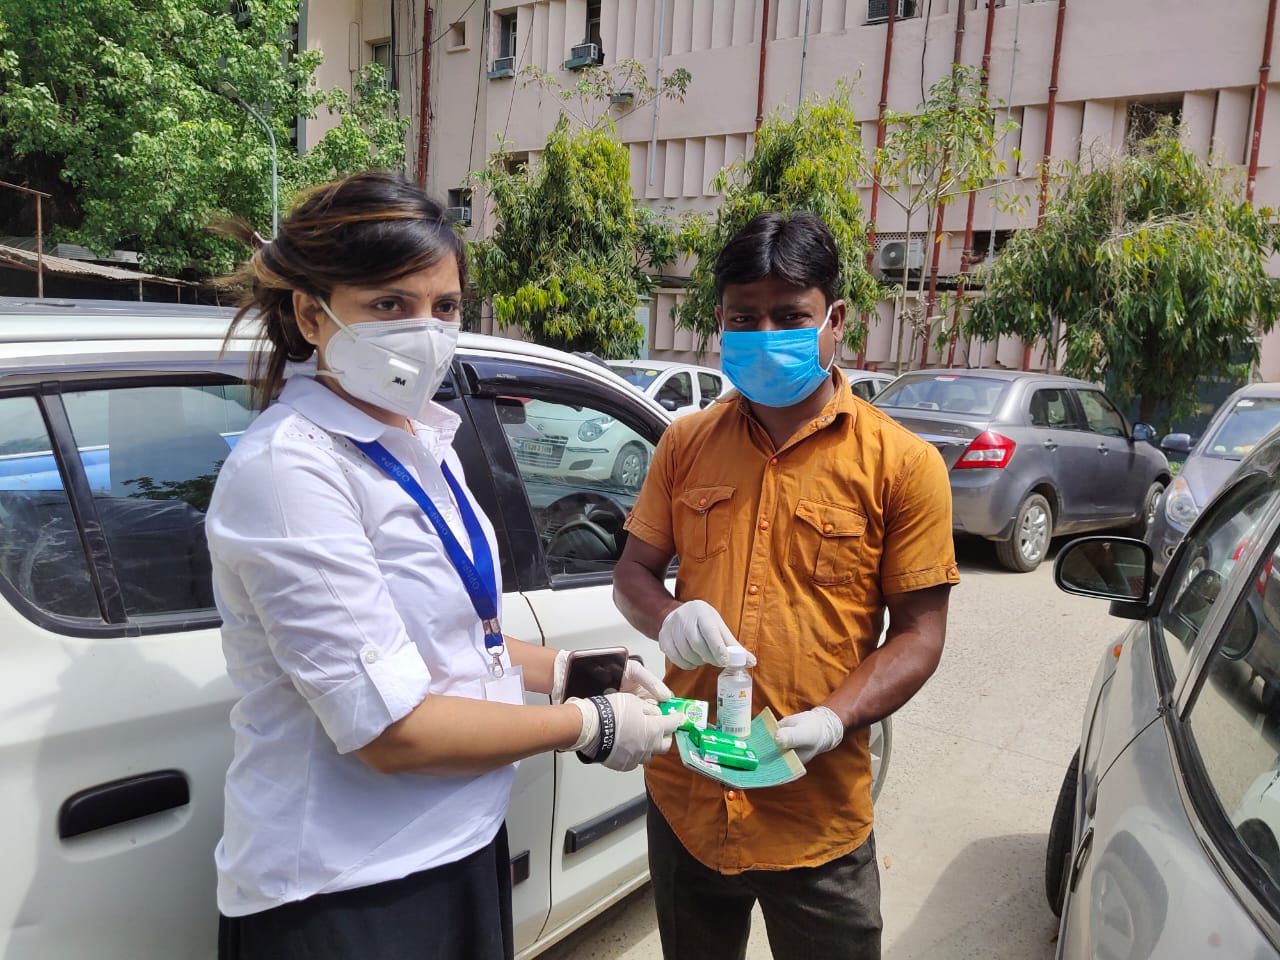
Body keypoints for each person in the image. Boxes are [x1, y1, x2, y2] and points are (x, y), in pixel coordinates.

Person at [206, 171, 682, 960]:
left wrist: (578, 671)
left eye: (445, 307)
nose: (425, 330)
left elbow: (461, 636)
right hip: (351, 887)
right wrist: (589, 724)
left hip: (458, 846)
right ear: (309, 315)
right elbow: (390, 732)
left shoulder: (422, 442)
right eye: (389, 304)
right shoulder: (291, 472)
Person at [613, 211, 960, 960]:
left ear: (835, 321)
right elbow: (633, 573)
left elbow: (920, 635)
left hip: (816, 816)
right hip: (689, 798)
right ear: (720, 323)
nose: (766, 331)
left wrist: (836, 718)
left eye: (789, 315)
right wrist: (669, 617)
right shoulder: (685, 443)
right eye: (746, 316)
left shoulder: (901, 464)